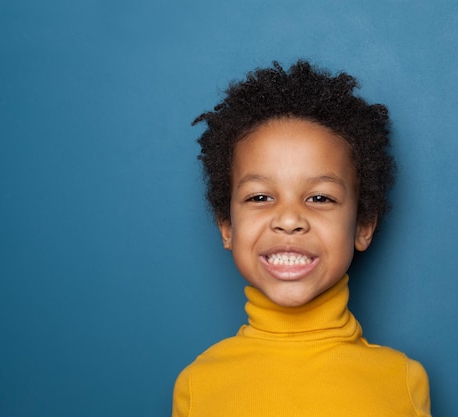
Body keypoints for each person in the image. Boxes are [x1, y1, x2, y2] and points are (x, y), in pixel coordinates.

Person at [172, 60, 431, 416]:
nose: (290, 219)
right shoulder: (197, 385)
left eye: (320, 198)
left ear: (363, 226)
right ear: (227, 227)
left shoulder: (403, 380)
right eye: (260, 197)